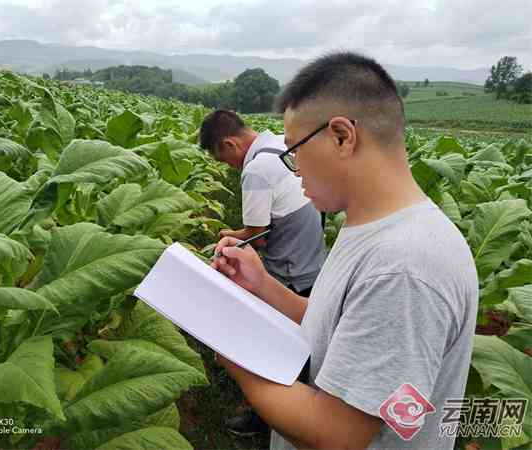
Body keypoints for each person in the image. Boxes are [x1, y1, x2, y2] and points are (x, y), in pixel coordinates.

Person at [211, 52, 478, 450]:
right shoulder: (368, 225)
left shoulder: (404, 266)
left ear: (341, 136)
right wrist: (263, 284)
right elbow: (333, 326)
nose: (295, 168)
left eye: (294, 150)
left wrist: (234, 355)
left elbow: (336, 433)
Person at [200, 110, 327, 436]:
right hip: (312, 259)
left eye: (223, 157)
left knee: (272, 346)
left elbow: (259, 235)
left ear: (230, 143)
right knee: (304, 342)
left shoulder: (256, 170)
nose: (229, 165)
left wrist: (227, 234)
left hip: (288, 269)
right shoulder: (275, 146)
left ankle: (265, 418)